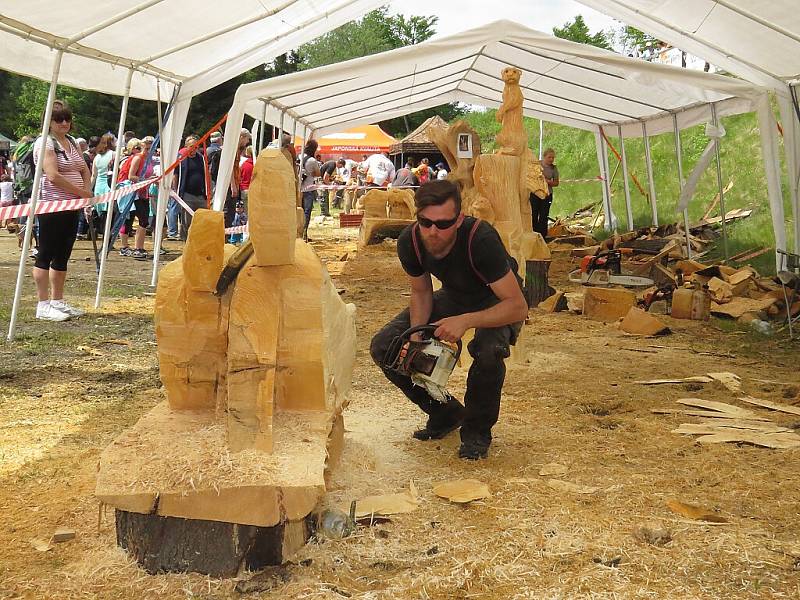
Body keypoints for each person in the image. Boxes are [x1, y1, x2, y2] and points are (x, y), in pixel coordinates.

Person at [369, 180, 528, 460]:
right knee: (386, 346)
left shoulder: (481, 239)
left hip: (497, 299)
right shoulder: (410, 241)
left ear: (459, 219)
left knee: (488, 351)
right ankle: (445, 413)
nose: (433, 232)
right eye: (425, 222)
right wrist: (416, 337)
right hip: (455, 295)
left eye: (443, 224)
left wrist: (465, 321)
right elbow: (421, 291)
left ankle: (477, 434)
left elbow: (517, 307)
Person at [31, 99, 92, 321]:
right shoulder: (45, 144)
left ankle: (58, 300)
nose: (64, 122)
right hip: (52, 205)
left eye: (67, 118)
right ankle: (43, 304)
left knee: (63, 253)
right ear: (49, 122)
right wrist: (82, 192)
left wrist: (85, 191)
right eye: (59, 119)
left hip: (72, 206)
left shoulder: (72, 141)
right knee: (45, 252)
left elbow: (85, 169)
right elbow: (53, 176)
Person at [176, 134, 208, 240]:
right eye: (191, 146)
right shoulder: (181, 159)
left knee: (201, 220)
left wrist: (207, 192)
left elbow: (206, 175)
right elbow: (176, 175)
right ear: (186, 146)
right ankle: (187, 242)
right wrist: (176, 192)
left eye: (196, 146)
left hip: (201, 195)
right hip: (186, 195)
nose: (194, 149)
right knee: (187, 221)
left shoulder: (201, 158)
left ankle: (198, 241)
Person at [532, 148, 559, 238]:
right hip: (535, 193)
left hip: (547, 194)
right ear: (544, 157)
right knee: (533, 214)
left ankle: (543, 236)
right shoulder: (537, 164)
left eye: (553, 157)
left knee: (544, 216)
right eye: (549, 157)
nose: (551, 159)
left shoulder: (554, 168)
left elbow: (556, 183)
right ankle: (534, 234)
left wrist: (547, 181)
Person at [300, 139, 321, 240]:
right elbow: (317, 173)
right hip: (308, 189)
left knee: (299, 212)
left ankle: (298, 233)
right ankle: (304, 234)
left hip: (298, 189)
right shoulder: (312, 160)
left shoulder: (299, 157)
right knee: (306, 213)